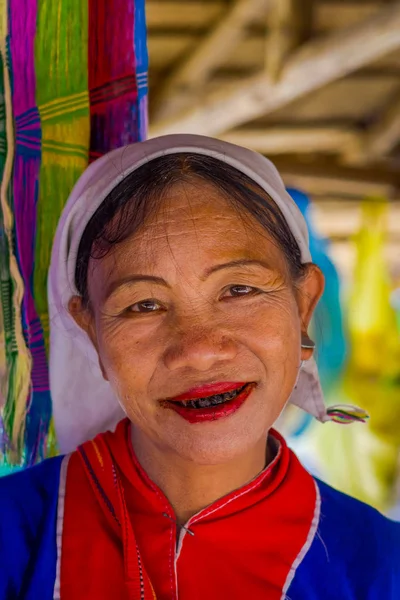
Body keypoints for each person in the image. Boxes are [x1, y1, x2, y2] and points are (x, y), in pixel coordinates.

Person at [0, 135, 399, 600]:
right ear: (90, 333)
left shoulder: (380, 568)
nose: (199, 350)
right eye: (144, 304)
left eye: (240, 290)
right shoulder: (16, 537)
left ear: (304, 305)